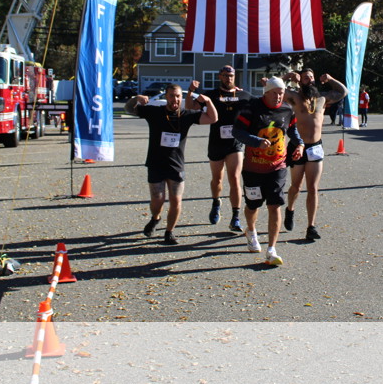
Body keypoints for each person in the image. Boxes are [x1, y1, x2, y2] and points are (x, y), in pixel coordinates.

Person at [126, 84, 217, 245]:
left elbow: (213, 118)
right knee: (157, 200)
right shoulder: (155, 112)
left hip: (176, 165)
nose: (175, 99)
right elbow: (129, 109)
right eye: (171, 96)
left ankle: (169, 232)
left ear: (181, 98)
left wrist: (208, 102)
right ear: (166, 97)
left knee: (176, 200)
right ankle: (155, 218)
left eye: (178, 96)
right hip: (156, 163)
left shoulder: (187, 115)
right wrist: (136, 99)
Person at [232, 77, 304, 266]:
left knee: (274, 206)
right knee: (253, 206)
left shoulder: (287, 109)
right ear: (266, 92)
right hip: (253, 168)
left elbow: (292, 130)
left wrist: (300, 144)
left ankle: (272, 249)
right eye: (275, 93)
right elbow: (237, 132)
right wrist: (256, 141)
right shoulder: (251, 108)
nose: (279, 97)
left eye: (281, 93)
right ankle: (251, 230)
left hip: (277, 167)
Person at [281, 68, 348, 241]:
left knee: (313, 188)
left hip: (315, 147)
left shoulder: (322, 98)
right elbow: (275, 88)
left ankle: (311, 226)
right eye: (305, 77)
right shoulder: (294, 97)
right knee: (296, 186)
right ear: (300, 80)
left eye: (311, 77)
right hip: (298, 146)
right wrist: (288, 76)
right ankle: (290, 210)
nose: (309, 80)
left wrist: (330, 78)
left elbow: (343, 92)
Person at [186, 65, 253, 232]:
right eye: (225, 75)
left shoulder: (244, 95)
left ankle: (235, 217)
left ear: (234, 77)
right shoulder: (211, 94)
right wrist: (190, 91)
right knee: (217, 179)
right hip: (216, 142)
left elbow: (262, 105)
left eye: (231, 75)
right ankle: (216, 202)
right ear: (219, 77)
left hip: (235, 143)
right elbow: (190, 107)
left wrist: (266, 87)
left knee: (235, 178)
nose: (228, 78)